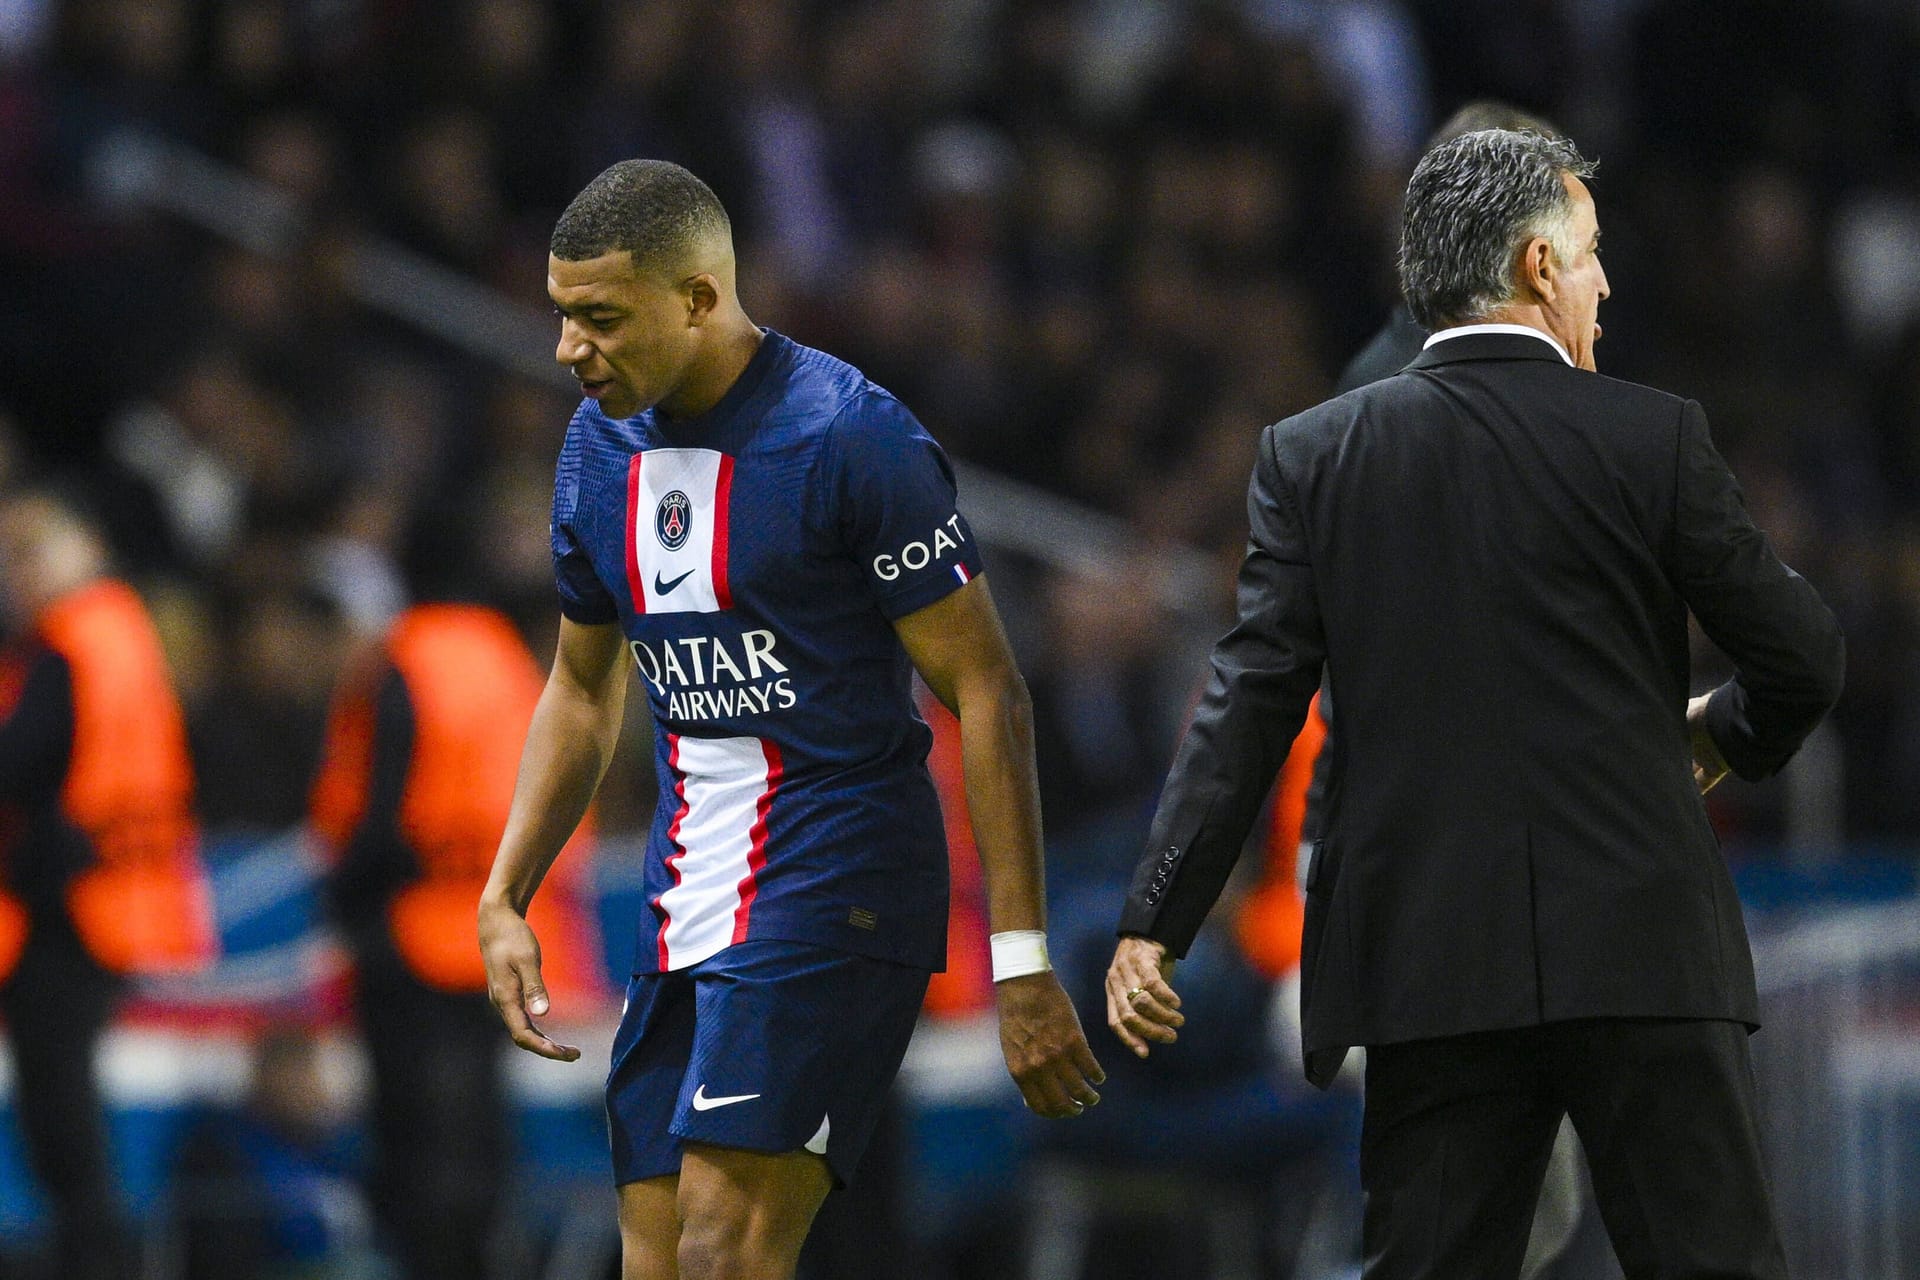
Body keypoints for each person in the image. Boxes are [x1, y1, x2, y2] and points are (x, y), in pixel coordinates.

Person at [1107, 129, 1845, 1278]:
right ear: (1541, 269)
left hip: (1430, 971)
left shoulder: (1314, 455)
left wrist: (1157, 916)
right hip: (1646, 952)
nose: (1606, 281)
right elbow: (1801, 655)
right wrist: (1715, 736)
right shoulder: (1655, 438)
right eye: (1592, 253)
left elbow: (1245, 708)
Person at [477, 159, 1102, 1280]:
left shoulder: (850, 436)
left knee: (725, 1247)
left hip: (839, 871)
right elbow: (581, 686)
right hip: (688, 893)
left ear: (701, 298)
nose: (571, 351)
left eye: (602, 319)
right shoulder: (595, 448)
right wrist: (505, 890)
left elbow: (989, 686)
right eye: (564, 318)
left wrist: (1020, 959)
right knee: (658, 1261)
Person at [310, 593, 603, 1280]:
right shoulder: (505, 662)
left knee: (417, 1153)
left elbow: (380, 816)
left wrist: (344, 902)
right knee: (477, 1146)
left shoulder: (403, 664)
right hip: (498, 934)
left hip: (409, 937)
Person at [0, 485, 216, 1280]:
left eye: (31, 552)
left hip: (71, 911)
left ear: (80, 547)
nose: (16, 574)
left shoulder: (68, 641)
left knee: (62, 1134)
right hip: (115, 900)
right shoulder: (123, 630)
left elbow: (20, 762)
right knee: (69, 1131)